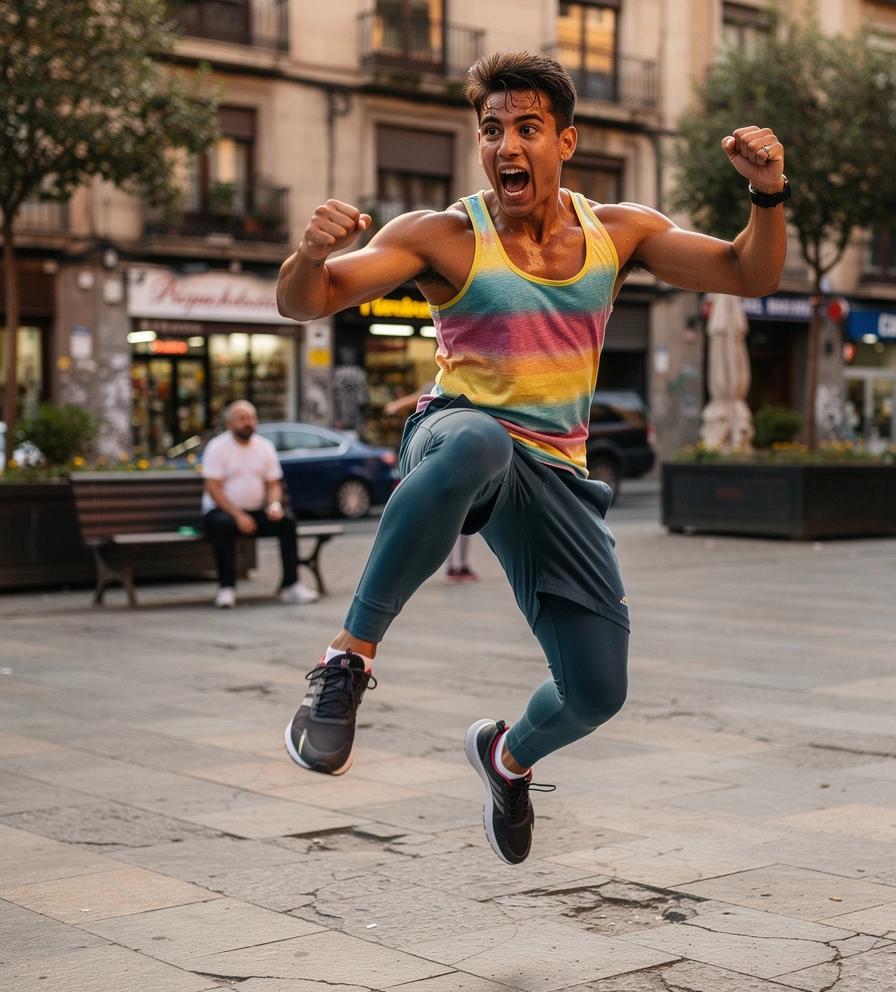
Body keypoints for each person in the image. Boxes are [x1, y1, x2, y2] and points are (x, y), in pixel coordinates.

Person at [275, 51, 788, 864]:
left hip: (557, 476)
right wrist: (309, 256)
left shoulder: (619, 232)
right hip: (457, 439)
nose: (506, 146)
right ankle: (346, 662)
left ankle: (506, 758)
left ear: (566, 141)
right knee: (480, 437)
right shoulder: (443, 234)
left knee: (597, 690)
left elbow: (746, 271)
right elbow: (312, 299)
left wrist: (767, 194)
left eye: (526, 128)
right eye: (491, 131)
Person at [202, 400, 319, 608]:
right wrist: (238, 515)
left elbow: (273, 483)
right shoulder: (217, 447)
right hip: (223, 511)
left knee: (287, 522)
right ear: (229, 423)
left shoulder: (264, 447)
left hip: (256, 510)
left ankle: (291, 585)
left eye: (251, 418)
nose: (248, 423)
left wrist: (274, 505)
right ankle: (226, 588)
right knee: (223, 526)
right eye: (242, 418)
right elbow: (213, 488)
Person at [384, 387, 480, 582]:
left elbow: (412, 400)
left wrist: (394, 406)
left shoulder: (442, 384)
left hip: (447, 455)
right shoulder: (457, 384)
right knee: (459, 515)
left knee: (453, 515)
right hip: (458, 455)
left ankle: (455, 566)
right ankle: (457, 566)